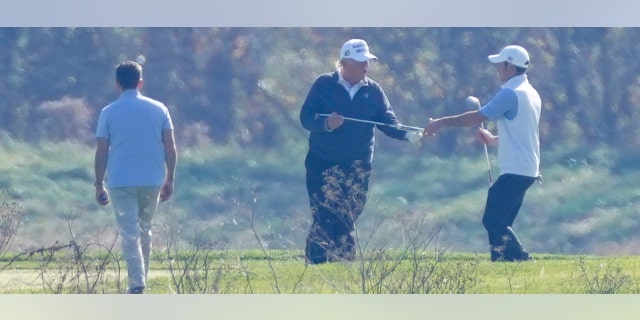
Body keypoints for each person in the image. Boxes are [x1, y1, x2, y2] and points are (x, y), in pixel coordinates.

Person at [299, 39, 422, 264]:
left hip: (358, 166)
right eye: (360, 62)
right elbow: (306, 117)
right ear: (345, 62)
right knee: (324, 216)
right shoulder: (324, 84)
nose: (365, 66)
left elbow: (388, 121)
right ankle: (316, 264)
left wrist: (407, 134)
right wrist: (326, 125)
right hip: (322, 163)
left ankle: (343, 265)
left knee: (347, 217)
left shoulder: (373, 90)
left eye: (367, 61)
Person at [423, 45, 541, 262]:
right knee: (501, 222)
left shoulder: (510, 93)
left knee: (493, 220)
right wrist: (494, 140)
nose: (498, 70)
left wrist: (442, 122)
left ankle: (523, 259)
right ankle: (503, 262)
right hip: (528, 168)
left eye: (500, 65)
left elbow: (476, 117)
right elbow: (522, 131)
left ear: (509, 66)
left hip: (516, 169)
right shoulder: (531, 92)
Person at [94, 61, 177, 293]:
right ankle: (140, 282)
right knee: (145, 230)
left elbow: (102, 151)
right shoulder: (159, 109)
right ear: (140, 83)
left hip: (121, 181)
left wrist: (98, 183)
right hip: (151, 179)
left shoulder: (108, 112)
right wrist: (170, 177)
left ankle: (137, 285)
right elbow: (170, 148)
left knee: (130, 232)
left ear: (117, 84)